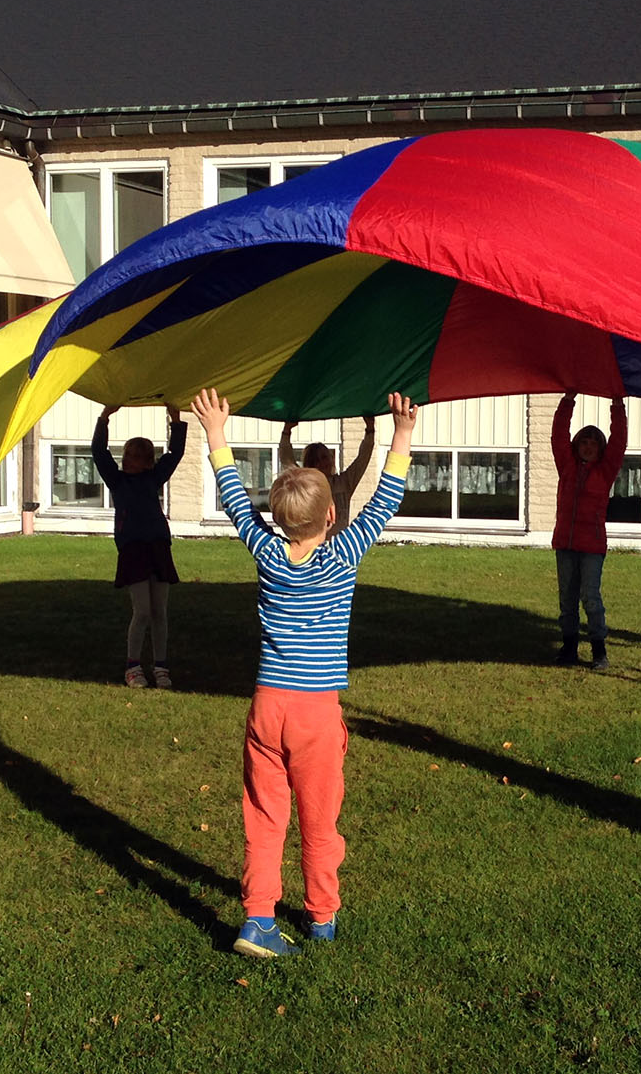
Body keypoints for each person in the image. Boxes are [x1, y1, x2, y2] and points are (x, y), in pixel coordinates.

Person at [194, 386, 417, 959]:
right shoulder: (344, 554)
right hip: (315, 713)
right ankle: (321, 916)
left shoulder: (266, 552)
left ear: (276, 518)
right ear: (333, 515)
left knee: (265, 816)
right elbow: (386, 498)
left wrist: (216, 433)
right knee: (320, 820)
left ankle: (258, 918)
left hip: (267, 707)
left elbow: (233, 499)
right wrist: (402, 434)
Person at [94, 404, 187, 687]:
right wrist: (104, 418)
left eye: (133, 456)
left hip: (158, 546)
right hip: (133, 549)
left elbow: (175, 454)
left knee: (160, 611)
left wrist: (176, 420)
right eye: (126, 455)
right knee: (143, 611)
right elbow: (99, 453)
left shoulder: (153, 478)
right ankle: (133, 666)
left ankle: (161, 666)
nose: (126, 460)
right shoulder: (117, 480)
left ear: (146, 460)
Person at [550, 393, 628, 669]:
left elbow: (619, 441)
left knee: (590, 598)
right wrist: (568, 399)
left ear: (600, 448)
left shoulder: (606, 471)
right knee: (567, 601)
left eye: (594, 443)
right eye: (584, 442)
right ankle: (569, 648)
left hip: (592, 547)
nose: (588, 447)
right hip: (565, 544)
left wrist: (617, 405)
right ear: (576, 446)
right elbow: (558, 434)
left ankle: (599, 651)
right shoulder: (567, 467)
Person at [278, 416, 378, 534]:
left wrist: (370, 429)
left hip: (339, 546)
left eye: (324, 457)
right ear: (309, 463)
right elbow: (287, 461)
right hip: (312, 546)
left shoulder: (344, 482)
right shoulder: (305, 483)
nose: (321, 463)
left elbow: (363, 459)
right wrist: (286, 431)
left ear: (331, 459)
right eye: (315, 460)